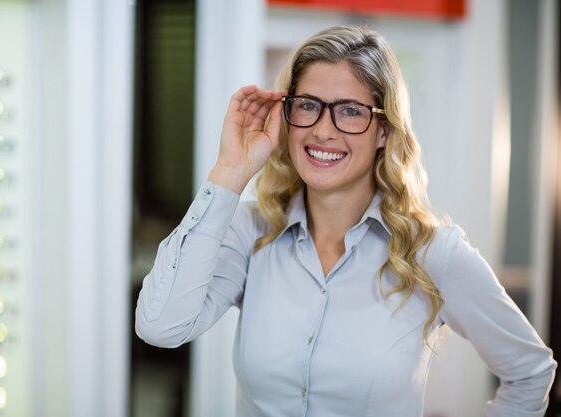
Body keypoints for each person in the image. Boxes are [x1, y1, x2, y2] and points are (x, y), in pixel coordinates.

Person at [135, 25, 556, 417]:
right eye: (308, 106)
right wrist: (229, 171)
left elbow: (530, 371)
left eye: (350, 111)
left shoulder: (433, 251)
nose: (322, 130)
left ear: (385, 131)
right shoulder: (253, 230)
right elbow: (160, 326)